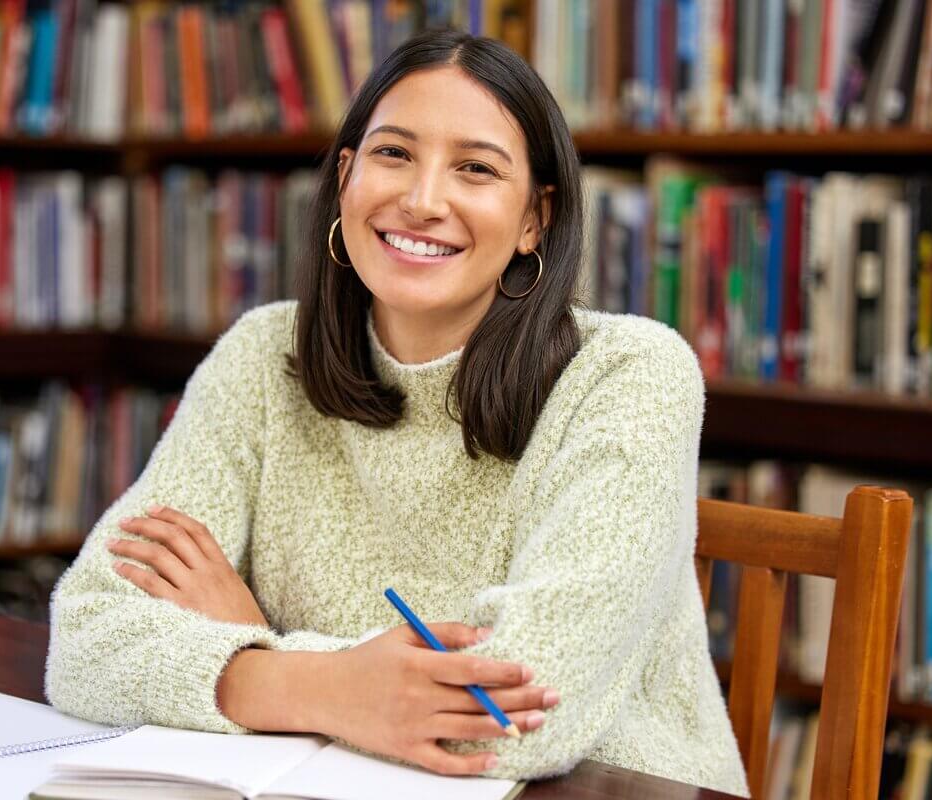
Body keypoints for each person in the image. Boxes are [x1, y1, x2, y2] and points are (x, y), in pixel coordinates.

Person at [45, 29, 749, 797]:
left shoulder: (630, 374)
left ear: (533, 219)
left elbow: (513, 716)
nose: (422, 200)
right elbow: (83, 638)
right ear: (345, 178)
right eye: (393, 154)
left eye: (475, 169)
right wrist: (331, 686)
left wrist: (261, 657)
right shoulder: (263, 355)